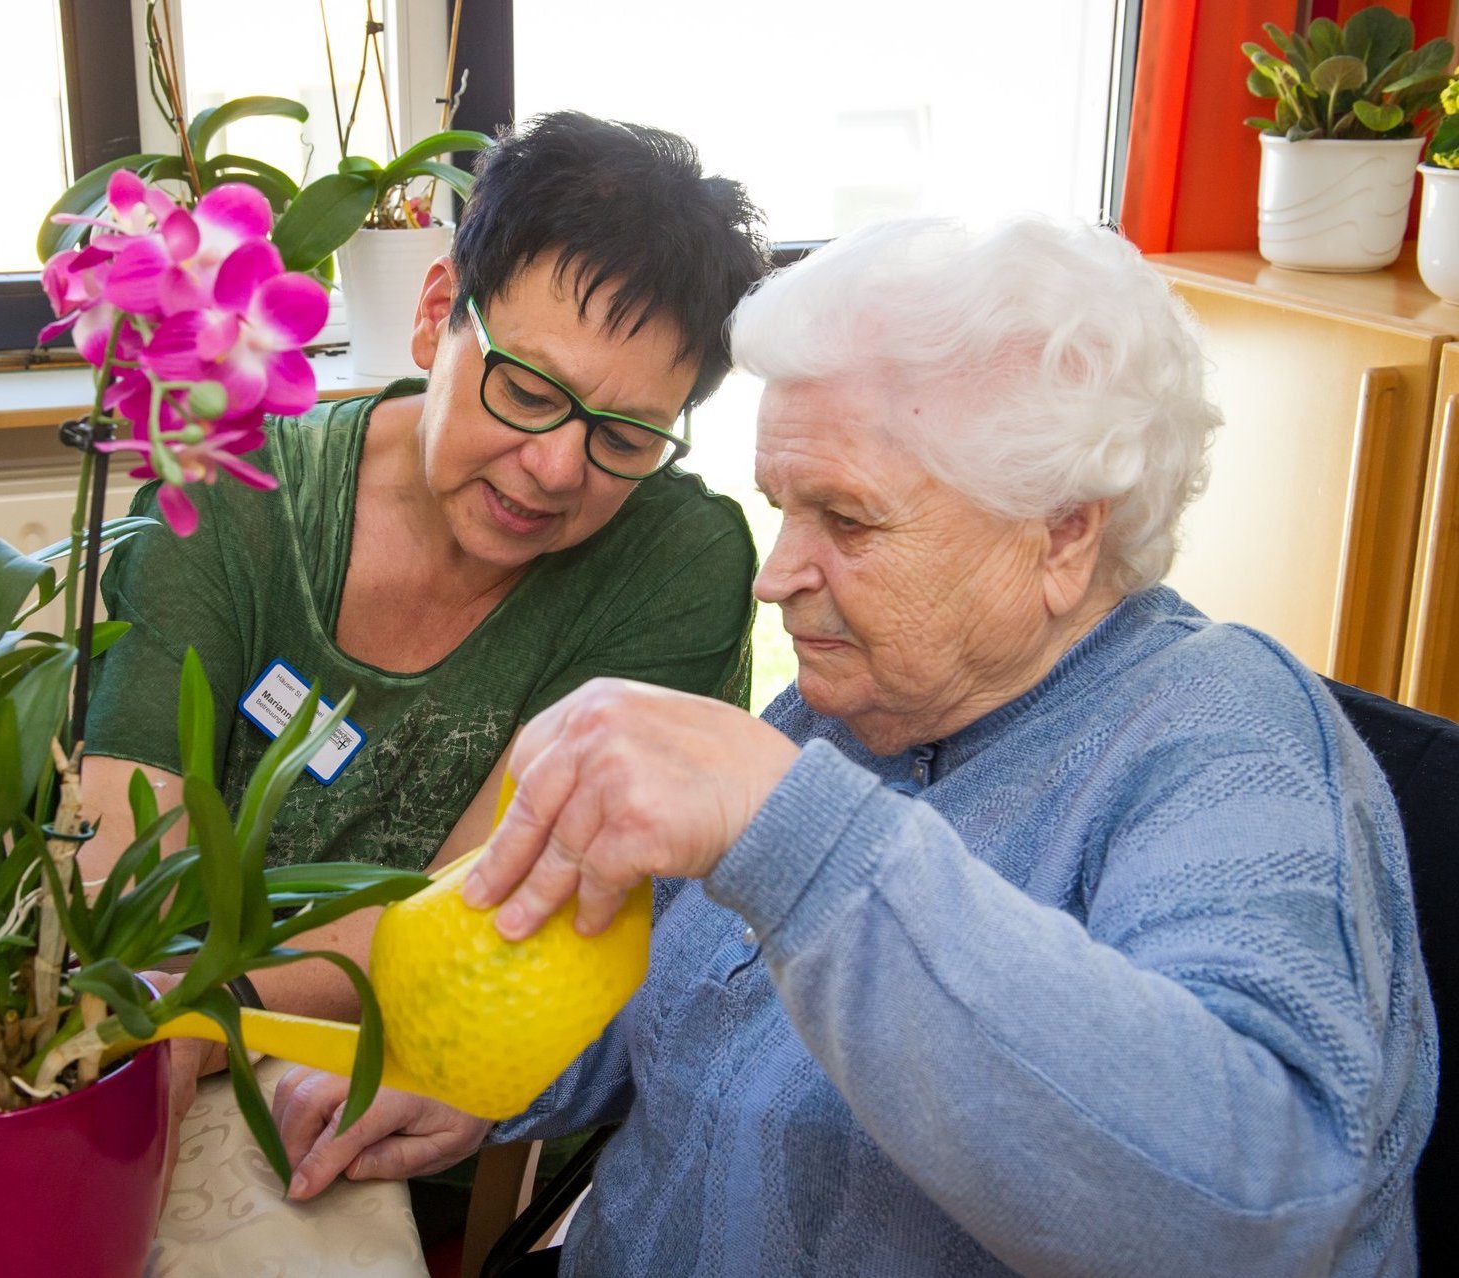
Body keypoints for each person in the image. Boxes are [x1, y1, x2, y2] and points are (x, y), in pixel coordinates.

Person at [262, 217, 1438, 1276]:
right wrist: (486, 1084)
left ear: (1064, 536)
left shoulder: (1227, 741)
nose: (777, 577)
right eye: (782, 507)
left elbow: (1263, 1214)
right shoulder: (875, 699)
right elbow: (686, 1003)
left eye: (849, 519)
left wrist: (795, 834)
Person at [0, 111, 768, 1278]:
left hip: (402, 1120)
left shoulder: (676, 562)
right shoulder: (234, 483)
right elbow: (123, 857)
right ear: (433, 315)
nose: (559, 466)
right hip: (143, 1033)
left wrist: (178, 1023)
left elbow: (468, 919)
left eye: (625, 434)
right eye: (526, 390)